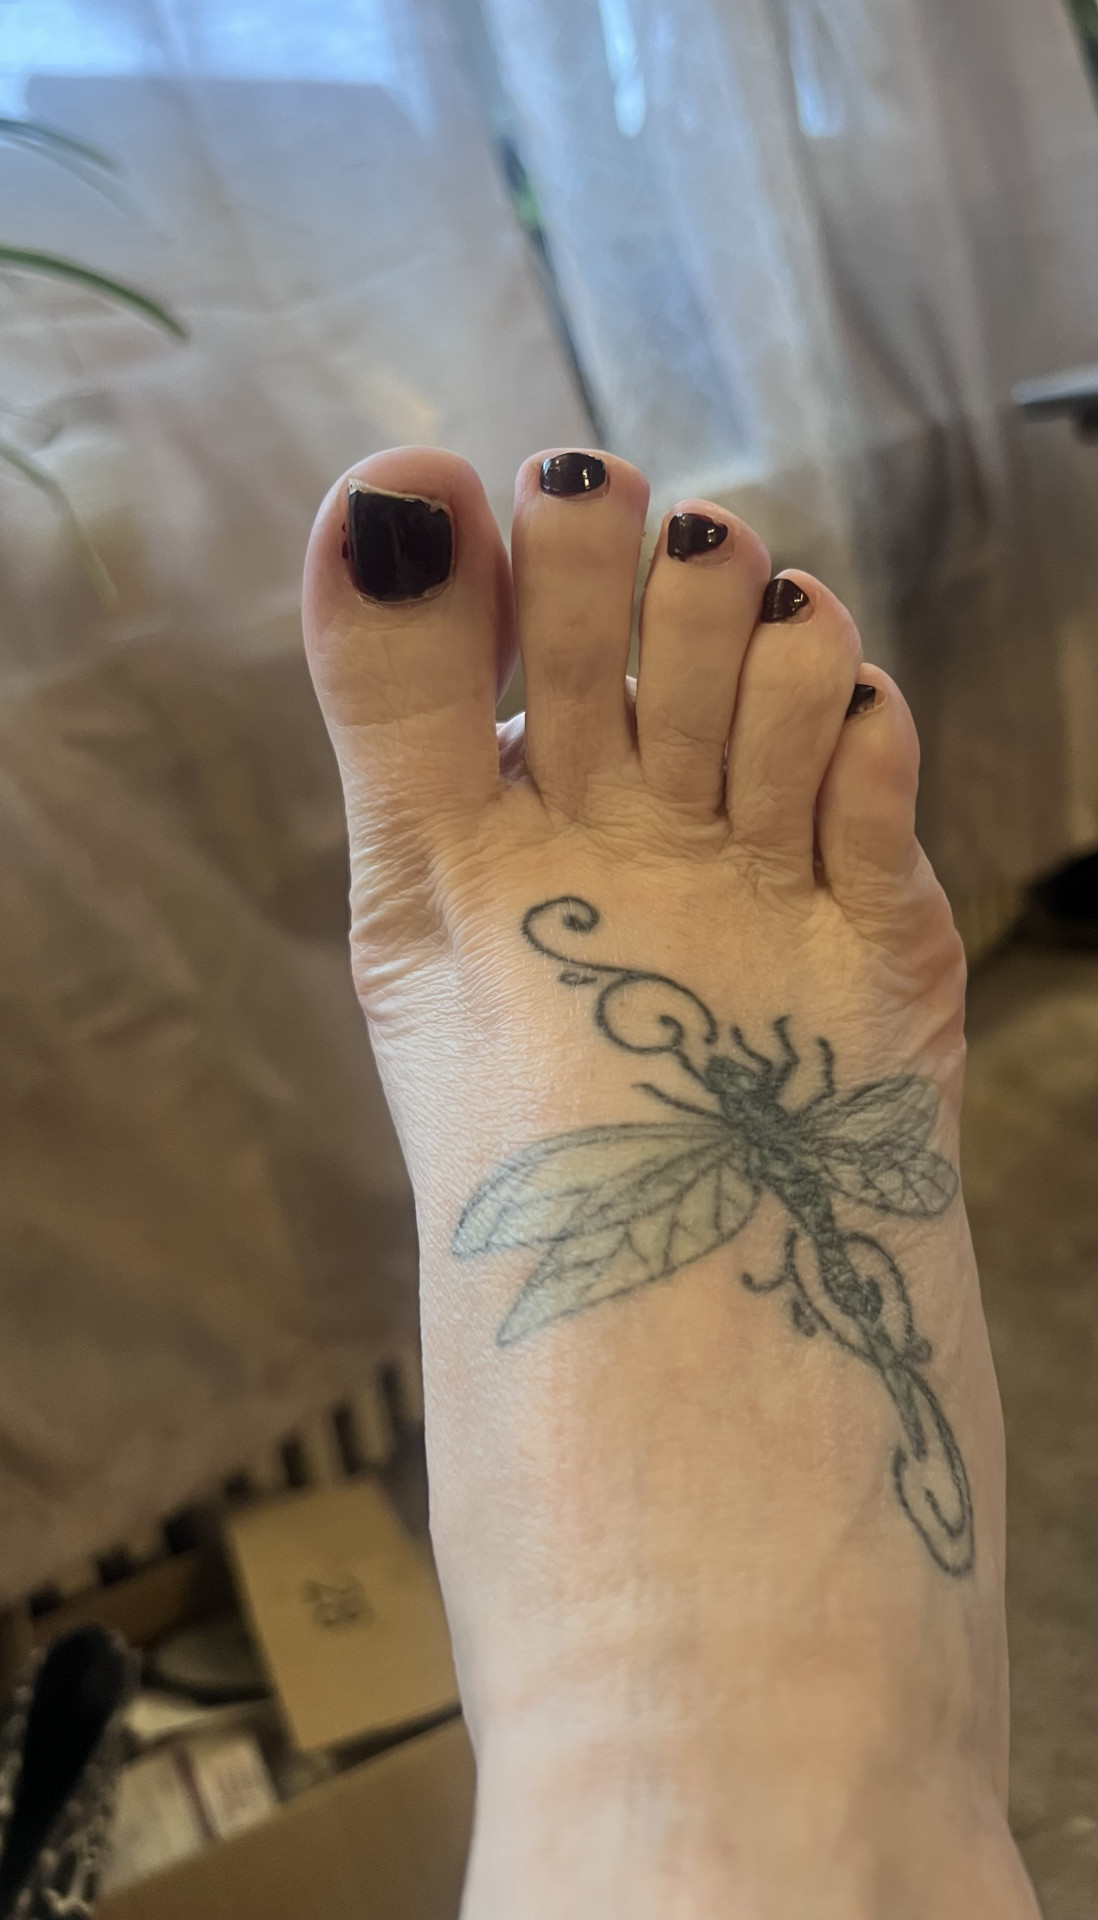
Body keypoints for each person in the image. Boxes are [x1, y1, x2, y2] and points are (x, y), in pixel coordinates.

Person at [302, 445, 1040, 1918]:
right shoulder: (784, 1100)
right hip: (825, 1175)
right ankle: (864, 1753)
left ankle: (631, 1707)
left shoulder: (687, 1137)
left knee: (626, 1800)